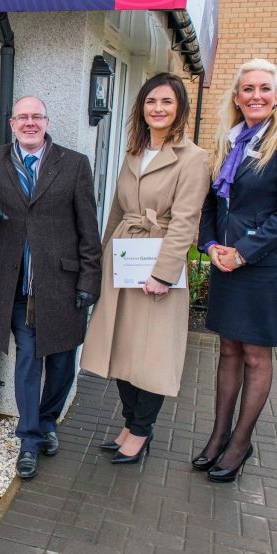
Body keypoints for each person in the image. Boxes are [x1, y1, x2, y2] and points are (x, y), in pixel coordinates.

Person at [0, 96, 102, 479]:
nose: (30, 123)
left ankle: (47, 422)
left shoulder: (74, 164)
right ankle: (29, 440)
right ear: (12, 124)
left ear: (46, 121)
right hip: (15, 285)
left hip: (62, 284)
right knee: (28, 358)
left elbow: (88, 229)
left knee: (62, 363)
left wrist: (89, 280)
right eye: (23, 117)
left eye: (36, 117)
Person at [194, 58, 277, 482]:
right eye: (248, 89)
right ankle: (217, 436)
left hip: (264, 265)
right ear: (237, 97)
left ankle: (240, 443)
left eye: (264, 88)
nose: (256, 96)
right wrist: (209, 245)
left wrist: (242, 252)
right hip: (226, 260)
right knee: (227, 350)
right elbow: (211, 202)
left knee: (255, 355)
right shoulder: (229, 142)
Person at [81, 73, 210, 464]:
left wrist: (164, 274)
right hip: (123, 260)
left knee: (150, 354)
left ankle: (141, 431)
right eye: (151, 101)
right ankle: (128, 423)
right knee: (120, 347)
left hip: (157, 265)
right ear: (142, 107)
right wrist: (100, 259)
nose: (158, 108)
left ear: (180, 108)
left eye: (167, 102)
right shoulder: (134, 152)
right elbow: (118, 210)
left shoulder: (194, 158)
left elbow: (186, 221)